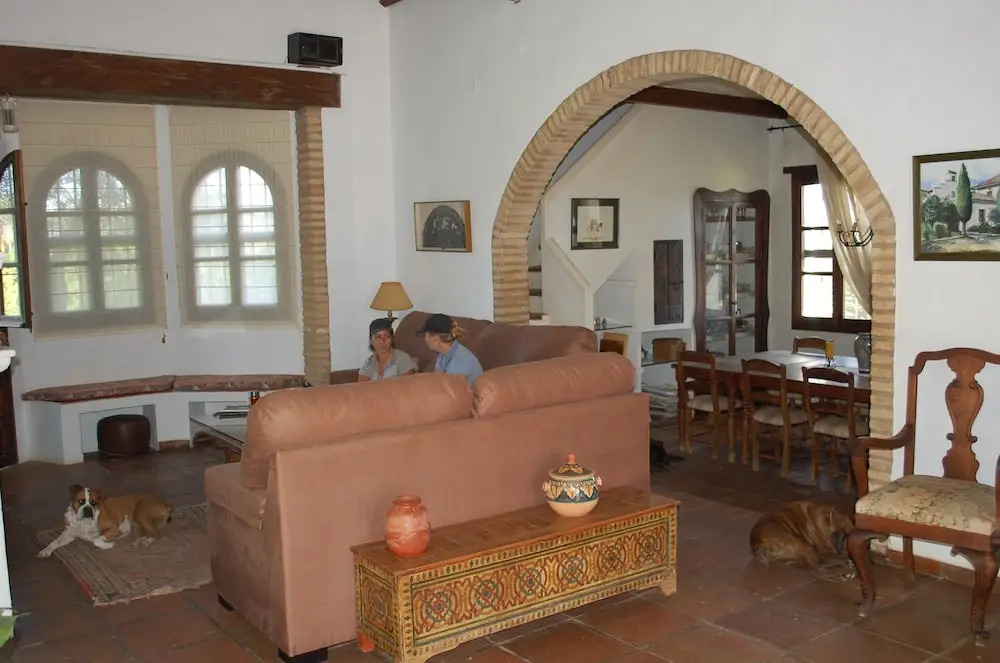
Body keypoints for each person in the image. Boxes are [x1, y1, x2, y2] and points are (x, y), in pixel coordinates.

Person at [418, 313, 483, 386]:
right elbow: (437, 379)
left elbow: (450, 389)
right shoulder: (443, 354)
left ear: (435, 340)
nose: (425, 339)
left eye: (425, 335)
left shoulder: (460, 360)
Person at [359, 318, 418, 382]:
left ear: (392, 339)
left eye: (387, 336)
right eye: (378, 337)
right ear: (371, 341)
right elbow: (361, 386)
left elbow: (406, 385)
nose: (382, 341)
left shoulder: (403, 358)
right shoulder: (368, 364)